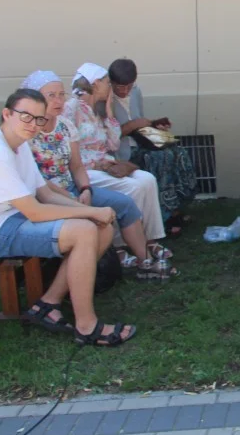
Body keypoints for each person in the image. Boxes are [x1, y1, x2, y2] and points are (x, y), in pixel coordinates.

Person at [0, 89, 135, 345]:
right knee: (84, 230)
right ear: (7, 114)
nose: (33, 124)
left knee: (98, 227)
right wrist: (90, 211)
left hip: (10, 218)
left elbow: (44, 193)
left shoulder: (19, 144)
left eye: (39, 119)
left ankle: (49, 304)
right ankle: (87, 326)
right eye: (26, 116)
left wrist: (89, 212)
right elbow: (34, 210)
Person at [20, 71, 174, 279]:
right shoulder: (27, 130)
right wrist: (73, 197)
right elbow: (35, 178)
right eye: (51, 95)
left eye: (60, 94)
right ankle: (117, 251)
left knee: (128, 200)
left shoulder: (64, 125)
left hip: (76, 184)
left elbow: (76, 166)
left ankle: (144, 258)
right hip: (47, 194)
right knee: (131, 189)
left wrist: (84, 189)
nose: (59, 101)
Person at [63, 64, 170, 250]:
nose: (109, 87)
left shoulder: (99, 108)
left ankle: (151, 239)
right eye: (106, 83)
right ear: (95, 84)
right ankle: (121, 244)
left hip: (107, 164)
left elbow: (113, 144)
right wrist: (96, 163)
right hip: (86, 170)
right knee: (133, 187)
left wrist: (109, 113)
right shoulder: (72, 108)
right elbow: (66, 148)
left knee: (148, 180)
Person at [108, 59, 196, 238]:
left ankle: (175, 207)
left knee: (178, 153)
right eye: (120, 87)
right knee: (160, 159)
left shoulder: (136, 92)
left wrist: (155, 125)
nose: (124, 91)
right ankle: (163, 217)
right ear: (111, 82)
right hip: (120, 152)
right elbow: (106, 137)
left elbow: (139, 122)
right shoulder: (104, 100)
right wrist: (133, 125)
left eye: (129, 86)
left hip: (141, 143)